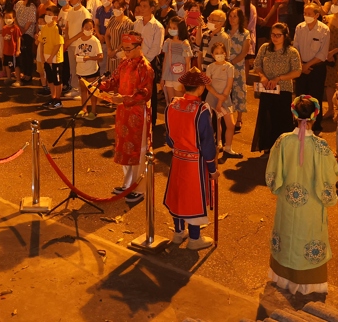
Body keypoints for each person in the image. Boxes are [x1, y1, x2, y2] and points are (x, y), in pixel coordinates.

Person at [265, 96, 338, 295]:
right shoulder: (321, 146)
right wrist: (328, 196)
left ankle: (282, 277)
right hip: (312, 206)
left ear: (294, 115)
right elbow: (330, 177)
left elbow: (272, 175)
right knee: (308, 236)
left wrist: (280, 188)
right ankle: (307, 283)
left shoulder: (283, 141)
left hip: (287, 204)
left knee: (287, 234)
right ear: (315, 116)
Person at [163, 68, 219, 250]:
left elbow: (169, 137)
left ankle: (178, 233)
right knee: (194, 197)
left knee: (178, 194)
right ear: (201, 88)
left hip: (178, 158)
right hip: (195, 162)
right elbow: (207, 143)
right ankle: (194, 238)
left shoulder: (172, 104)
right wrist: (212, 168)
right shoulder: (202, 109)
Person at [99, 32, 154, 205]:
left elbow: (145, 94)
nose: (125, 52)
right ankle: (127, 183)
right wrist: (98, 85)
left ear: (139, 47)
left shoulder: (145, 67)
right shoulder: (124, 62)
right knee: (124, 147)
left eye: (128, 49)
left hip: (138, 113)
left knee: (139, 150)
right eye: (124, 49)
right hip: (123, 111)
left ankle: (139, 188)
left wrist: (124, 99)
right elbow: (114, 80)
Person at [251, 23, 302, 154]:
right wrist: (262, 76)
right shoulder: (264, 48)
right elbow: (257, 64)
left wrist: (279, 78)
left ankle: (282, 148)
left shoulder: (292, 51)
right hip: (267, 89)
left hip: (283, 90)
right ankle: (267, 146)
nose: (275, 37)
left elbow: (297, 71)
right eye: (273, 34)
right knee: (267, 118)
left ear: (285, 36)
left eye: (278, 35)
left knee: (282, 119)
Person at [293, 3, 330, 133]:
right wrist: (301, 66)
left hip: (316, 67)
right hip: (301, 66)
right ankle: (299, 122)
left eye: (309, 14)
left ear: (317, 15)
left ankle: (315, 125)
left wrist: (308, 65)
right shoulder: (299, 27)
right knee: (300, 96)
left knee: (315, 97)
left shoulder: (324, 30)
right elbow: (295, 47)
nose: (306, 16)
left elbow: (323, 53)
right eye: (305, 13)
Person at [133, 0, 165, 126]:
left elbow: (156, 48)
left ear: (152, 8)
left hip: (148, 62)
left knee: (149, 93)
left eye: (145, 6)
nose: (141, 8)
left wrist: (143, 61)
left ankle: (151, 120)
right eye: (140, 6)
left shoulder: (158, 27)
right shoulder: (137, 23)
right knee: (135, 90)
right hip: (135, 61)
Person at [205, 42, 238, 158]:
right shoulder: (210, 67)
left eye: (221, 53)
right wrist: (217, 96)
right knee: (215, 122)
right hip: (212, 97)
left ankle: (228, 148)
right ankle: (218, 144)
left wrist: (221, 100)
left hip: (225, 98)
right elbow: (207, 85)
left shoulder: (229, 67)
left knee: (231, 124)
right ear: (213, 55)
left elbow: (229, 85)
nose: (219, 55)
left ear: (225, 53)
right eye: (216, 53)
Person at [227, 7, 252, 136]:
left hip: (238, 66)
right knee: (226, 91)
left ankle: (239, 118)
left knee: (239, 90)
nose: (232, 19)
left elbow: (244, 52)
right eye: (230, 16)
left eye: (235, 16)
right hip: (225, 67)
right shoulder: (225, 31)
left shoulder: (245, 33)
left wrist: (232, 62)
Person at [72, 19, 103, 119]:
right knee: (83, 91)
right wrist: (78, 57)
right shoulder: (79, 40)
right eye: (86, 27)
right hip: (81, 70)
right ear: (82, 28)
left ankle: (93, 111)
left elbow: (100, 56)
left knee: (93, 92)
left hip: (92, 70)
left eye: (90, 28)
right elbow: (75, 54)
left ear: (93, 29)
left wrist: (89, 58)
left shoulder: (95, 41)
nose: (88, 29)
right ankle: (84, 109)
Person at [161, 16, 193, 106]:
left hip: (180, 77)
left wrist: (185, 81)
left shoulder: (185, 44)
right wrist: (163, 77)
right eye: (170, 27)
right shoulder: (168, 42)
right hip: (168, 75)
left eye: (174, 28)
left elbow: (188, 63)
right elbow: (165, 60)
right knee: (171, 103)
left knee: (180, 103)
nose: (171, 30)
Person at [39, 5, 65, 109]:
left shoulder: (56, 28)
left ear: (55, 17)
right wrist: (42, 56)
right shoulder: (45, 28)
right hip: (46, 57)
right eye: (46, 14)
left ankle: (58, 100)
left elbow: (58, 44)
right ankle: (52, 97)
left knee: (57, 79)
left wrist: (51, 57)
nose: (47, 17)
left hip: (55, 59)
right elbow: (42, 42)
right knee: (50, 79)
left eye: (50, 15)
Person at [1, 9, 23, 88]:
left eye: (9, 17)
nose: (7, 19)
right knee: (7, 65)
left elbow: (18, 38)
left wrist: (18, 49)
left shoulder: (16, 28)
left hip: (13, 51)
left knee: (16, 65)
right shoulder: (4, 28)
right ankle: (9, 77)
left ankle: (18, 80)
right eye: (6, 17)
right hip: (6, 50)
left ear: (14, 18)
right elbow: (4, 39)